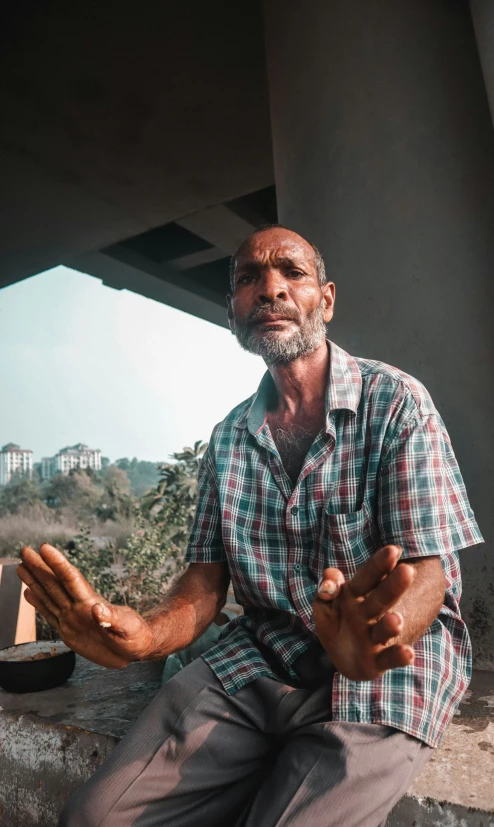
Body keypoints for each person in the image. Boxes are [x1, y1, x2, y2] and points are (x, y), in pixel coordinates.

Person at [18, 225, 483, 827]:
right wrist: (145, 634)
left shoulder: (397, 403)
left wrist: (374, 636)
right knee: (95, 818)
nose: (270, 290)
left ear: (328, 299)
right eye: (248, 279)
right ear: (232, 311)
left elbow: (429, 573)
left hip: (386, 668)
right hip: (260, 655)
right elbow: (205, 583)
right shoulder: (229, 438)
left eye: (292, 273)